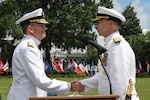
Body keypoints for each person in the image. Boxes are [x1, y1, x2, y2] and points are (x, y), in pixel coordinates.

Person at [7, 8, 84, 100]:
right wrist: (69, 86)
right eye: (41, 25)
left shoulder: (29, 47)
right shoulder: (28, 48)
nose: (45, 28)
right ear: (31, 29)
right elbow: (41, 81)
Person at [73, 6, 140, 100]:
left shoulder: (118, 46)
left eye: (99, 22)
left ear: (110, 23)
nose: (96, 26)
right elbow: (102, 77)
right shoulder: (110, 45)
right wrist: (82, 84)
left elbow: (120, 82)